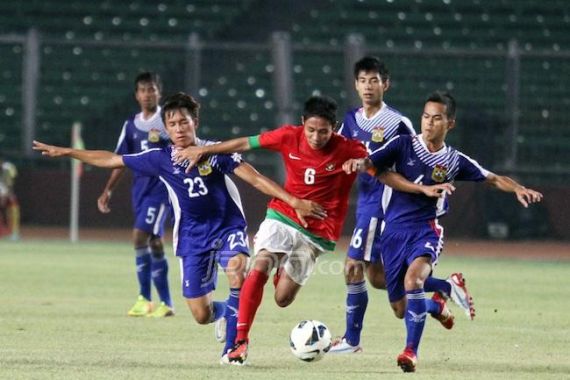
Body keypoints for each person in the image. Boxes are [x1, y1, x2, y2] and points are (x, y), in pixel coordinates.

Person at [33, 92, 325, 363]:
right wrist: (67, 152)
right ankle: (225, 313)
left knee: (237, 268)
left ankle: (234, 349)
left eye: (184, 121)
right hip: (192, 237)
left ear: (195, 122)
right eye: (171, 124)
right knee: (201, 314)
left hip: (227, 228)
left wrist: (293, 200)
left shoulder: (215, 151)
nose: (179, 128)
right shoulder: (160, 159)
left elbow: (256, 179)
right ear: (167, 129)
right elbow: (111, 159)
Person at [172, 95, 453, 365]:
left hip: (318, 232)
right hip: (283, 216)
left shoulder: (351, 149)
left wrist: (421, 188)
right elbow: (245, 143)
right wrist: (204, 149)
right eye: (311, 130)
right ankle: (240, 341)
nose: (316, 137)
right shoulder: (287, 135)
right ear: (302, 122)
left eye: (324, 132)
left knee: (283, 298)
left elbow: (384, 173)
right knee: (258, 267)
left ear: (334, 129)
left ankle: (282, 274)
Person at [343, 91, 543, 372]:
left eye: (436, 118)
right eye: (425, 117)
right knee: (401, 308)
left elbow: (492, 178)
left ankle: (410, 353)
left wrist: (518, 188)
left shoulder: (453, 160)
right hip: (393, 232)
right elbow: (373, 164)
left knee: (414, 281)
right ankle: (441, 297)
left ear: (450, 124)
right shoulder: (403, 145)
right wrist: (358, 163)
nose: (428, 123)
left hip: (425, 231)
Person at [331, 56, 474, 354]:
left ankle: (351, 341)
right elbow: (338, 154)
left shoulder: (398, 123)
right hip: (364, 204)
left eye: (374, 80)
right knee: (380, 281)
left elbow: (419, 157)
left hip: (382, 204)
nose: (368, 86)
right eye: (363, 80)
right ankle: (439, 297)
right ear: (355, 85)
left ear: (386, 84)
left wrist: (426, 192)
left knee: (352, 267)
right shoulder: (350, 119)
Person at [97, 72, 174, 318]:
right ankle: (164, 303)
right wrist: (108, 189)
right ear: (136, 95)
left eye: (151, 89)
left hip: (161, 190)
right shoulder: (130, 125)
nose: (147, 94)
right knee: (154, 242)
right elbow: (119, 160)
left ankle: (145, 298)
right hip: (139, 190)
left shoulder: (168, 121)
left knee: (139, 236)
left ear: (159, 93)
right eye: (142, 90)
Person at [0, 158, 20, 240]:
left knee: (14, 206)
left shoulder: (7, 169)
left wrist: (7, 195)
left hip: (6, 194)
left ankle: (14, 232)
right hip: (3, 195)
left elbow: (9, 184)